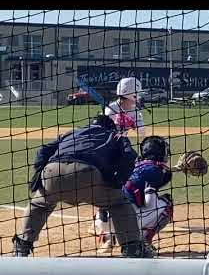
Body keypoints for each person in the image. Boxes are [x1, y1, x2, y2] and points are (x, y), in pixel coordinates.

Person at [12, 115, 153, 258]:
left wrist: (38, 177)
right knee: (119, 204)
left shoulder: (73, 133)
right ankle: (132, 248)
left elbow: (42, 151)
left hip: (52, 172)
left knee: (38, 205)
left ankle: (21, 246)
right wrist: (117, 181)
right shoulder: (115, 135)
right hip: (87, 174)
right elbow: (130, 156)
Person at [89, 77, 147, 253]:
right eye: (136, 94)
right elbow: (103, 131)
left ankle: (111, 227)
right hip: (106, 154)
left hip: (123, 156)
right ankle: (105, 234)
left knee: (122, 191)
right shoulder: (110, 109)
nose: (137, 98)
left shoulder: (136, 112)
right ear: (131, 94)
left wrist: (133, 125)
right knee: (103, 189)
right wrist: (117, 122)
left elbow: (143, 135)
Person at [103, 136, 175, 255]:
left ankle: (107, 237)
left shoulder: (135, 164)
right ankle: (143, 241)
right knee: (167, 203)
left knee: (123, 199)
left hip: (104, 218)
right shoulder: (154, 170)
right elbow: (150, 203)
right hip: (126, 219)